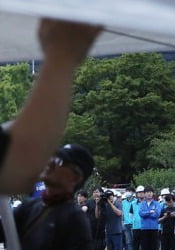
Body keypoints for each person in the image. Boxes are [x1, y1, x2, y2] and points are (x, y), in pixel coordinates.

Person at [0, 19, 101, 195]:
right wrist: (61, 53)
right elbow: (17, 163)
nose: (51, 163)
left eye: (59, 161)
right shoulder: (37, 208)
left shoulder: (66, 214)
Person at [0, 143, 95, 249]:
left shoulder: (75, 220)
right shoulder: (29, 207)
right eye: (52, 158)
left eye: (59, 162)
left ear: (75, 178)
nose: (50, 163)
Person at [139, 186, 161, 250]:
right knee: (145, 247)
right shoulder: (142, 204)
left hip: (154, 228)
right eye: (147, 192)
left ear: (152, 193)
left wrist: (146, 213)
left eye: (150, 192)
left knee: (154, 247)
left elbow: (157, 214)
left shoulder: (157, 203)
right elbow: (141, 214)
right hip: (144, 228)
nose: (149, 194)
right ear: (145, 194)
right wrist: (150, 212)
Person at [86, 186, 107, 250]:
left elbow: (98, 216)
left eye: (97, 192)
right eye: (94, 192)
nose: (95, 194)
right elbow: (85, 208)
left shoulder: (104, 202)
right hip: (91, 230)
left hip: (101, 231)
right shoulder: (89, 202)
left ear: (101, 193)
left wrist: (98, 203)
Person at [132, 185, 145, 250]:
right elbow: (131, 214)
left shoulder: (147, 203)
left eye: (142, 192)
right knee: (135, 246)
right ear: (137, 194)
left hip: (145, 227)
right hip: (136, 228)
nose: (141, 193)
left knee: (144, 246)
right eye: (139, 192)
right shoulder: (133, 203)